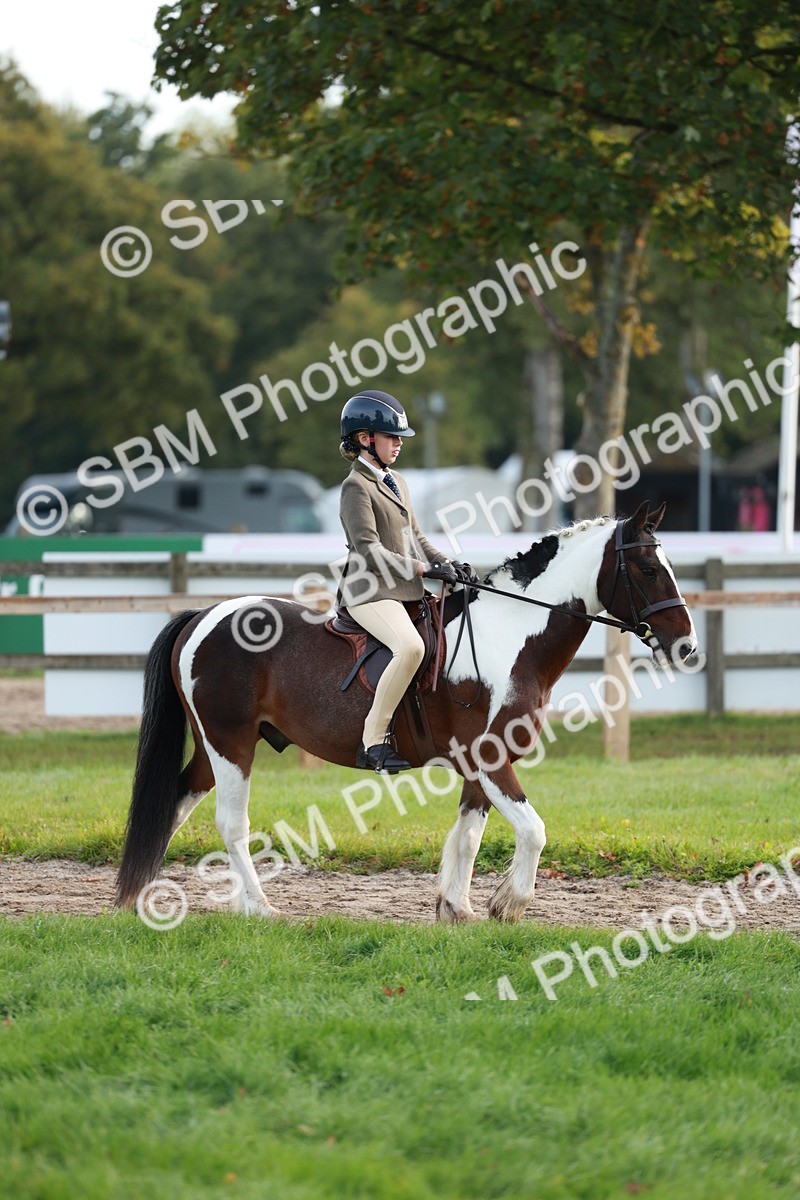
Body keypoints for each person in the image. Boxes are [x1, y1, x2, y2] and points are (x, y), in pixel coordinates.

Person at [338, 389, 471, 773]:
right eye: (392, 437)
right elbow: (368, 549)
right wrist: (423, 571)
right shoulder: (355, 487)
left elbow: (417, 537)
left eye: (400, 438)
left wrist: (448, 563)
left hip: (404, 590)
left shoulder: (397, 480)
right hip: (369, 591)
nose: (399, 444)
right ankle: (373, 740)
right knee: (411, 647)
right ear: (366, 439)